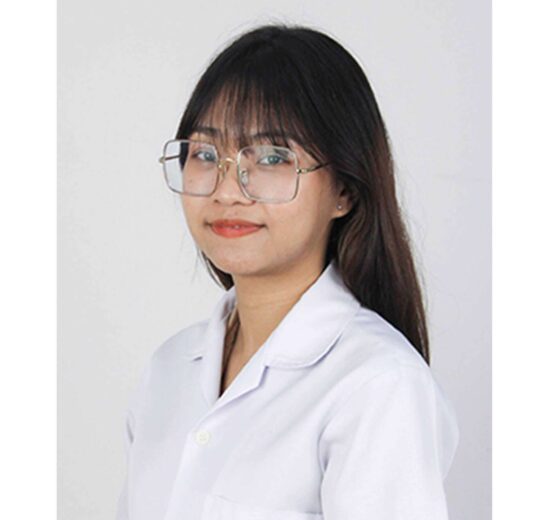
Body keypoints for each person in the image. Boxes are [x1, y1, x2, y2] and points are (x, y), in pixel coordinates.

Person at [116, 24, 459, 520]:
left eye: (273, 157)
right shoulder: (168, 370)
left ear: (344, 191)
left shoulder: (377, 384)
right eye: (206, 154)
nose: (227, 190)